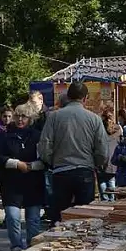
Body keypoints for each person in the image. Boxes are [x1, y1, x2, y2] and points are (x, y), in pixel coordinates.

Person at [39, 81, 109, 223]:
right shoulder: (94, 119)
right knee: (84, 219)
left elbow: (44, 146)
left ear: (68, 96)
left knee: (60, 218)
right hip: (85, 172)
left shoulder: (54, 117)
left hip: (61, 172)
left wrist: (52, 161)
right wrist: (97, 164)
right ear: (85, 98)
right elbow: (102, 150)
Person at [0, 104, 46, 251]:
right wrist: (17, 164)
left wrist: (31, 166)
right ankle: (16, 245)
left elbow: (45, 158)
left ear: (30, 119)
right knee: (12, 218)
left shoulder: (37, 136)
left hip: (33, 182)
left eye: (24, 116)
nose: (20, 119)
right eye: (17, 116)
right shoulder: (6, 136)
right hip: (11, 184)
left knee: (33, 220)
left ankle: (33, 247)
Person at [99, 110, 121, 201]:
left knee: (102, 181)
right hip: (113, 159)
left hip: (101, 158)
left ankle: (104, 199)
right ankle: (112, 199)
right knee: (111, 180)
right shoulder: (118, 130)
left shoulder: (99, 129)